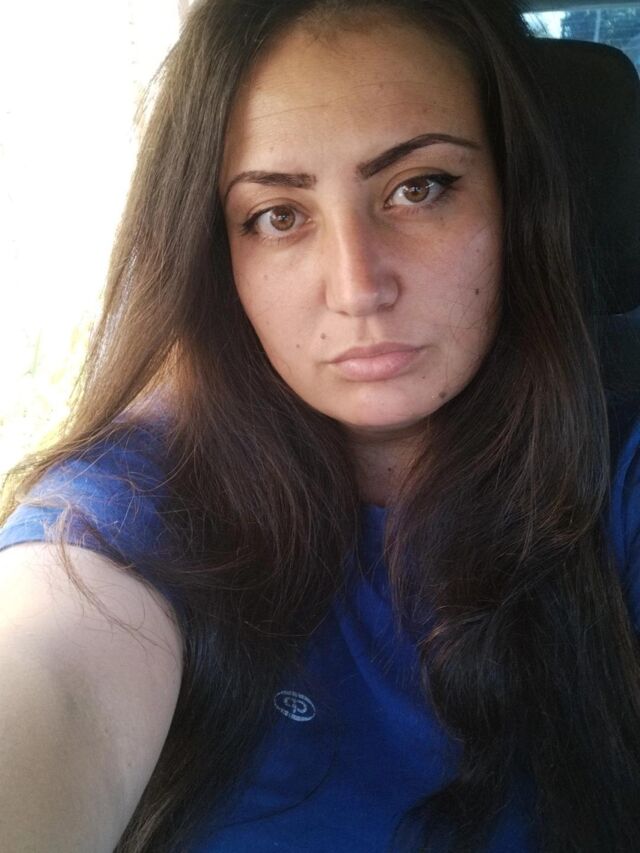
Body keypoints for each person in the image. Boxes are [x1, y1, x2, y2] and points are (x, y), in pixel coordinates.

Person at [1, 0, 639, 850]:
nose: (357, 286)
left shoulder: (613, 459)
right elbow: (51, 678)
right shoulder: (137, 502)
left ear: (516, 200)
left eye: (419, 187)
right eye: (278, 215)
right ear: (217, 254)